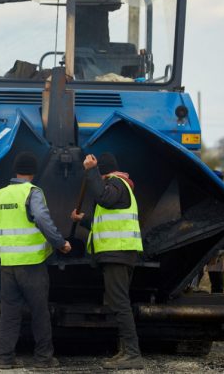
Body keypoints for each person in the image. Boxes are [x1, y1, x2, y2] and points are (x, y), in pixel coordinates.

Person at [0, 152, 71, 369]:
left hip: (7, 263)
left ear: (15, 171)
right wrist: (59, 242)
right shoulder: (32, 192)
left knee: (9, 313)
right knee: (39, 312)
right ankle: (43, 358)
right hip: (31, 264)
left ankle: (4, 358)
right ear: (33, 172)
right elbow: (42, 218)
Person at [71, 152, 144, 370]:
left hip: (118, 253)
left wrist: (90, 171)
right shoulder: (118, 186)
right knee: (119, 302)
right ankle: (126, 351)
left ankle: (132, 354)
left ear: (104, 172)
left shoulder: (117, 183)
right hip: (118, 253)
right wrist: (82, 219)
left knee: (120, 304)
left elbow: (104, 197)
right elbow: (105, 218)